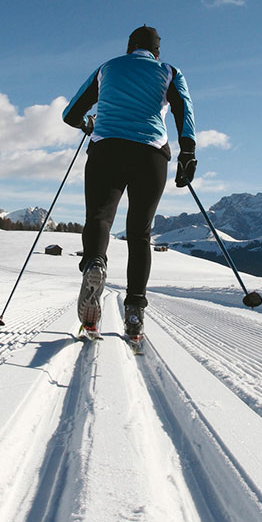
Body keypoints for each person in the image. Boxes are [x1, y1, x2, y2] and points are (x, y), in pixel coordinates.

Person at [62, 24, 195, 340]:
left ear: (128, 47)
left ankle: (95, 263)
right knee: (139, 233)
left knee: (99, 217)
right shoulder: (169, 71)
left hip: (106, 149)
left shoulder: (107, 68)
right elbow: (184, 111)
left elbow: (69, 113)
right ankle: (134, 310)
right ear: (157, 51)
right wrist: (187, 152)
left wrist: (87, 124)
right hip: (150, 156)